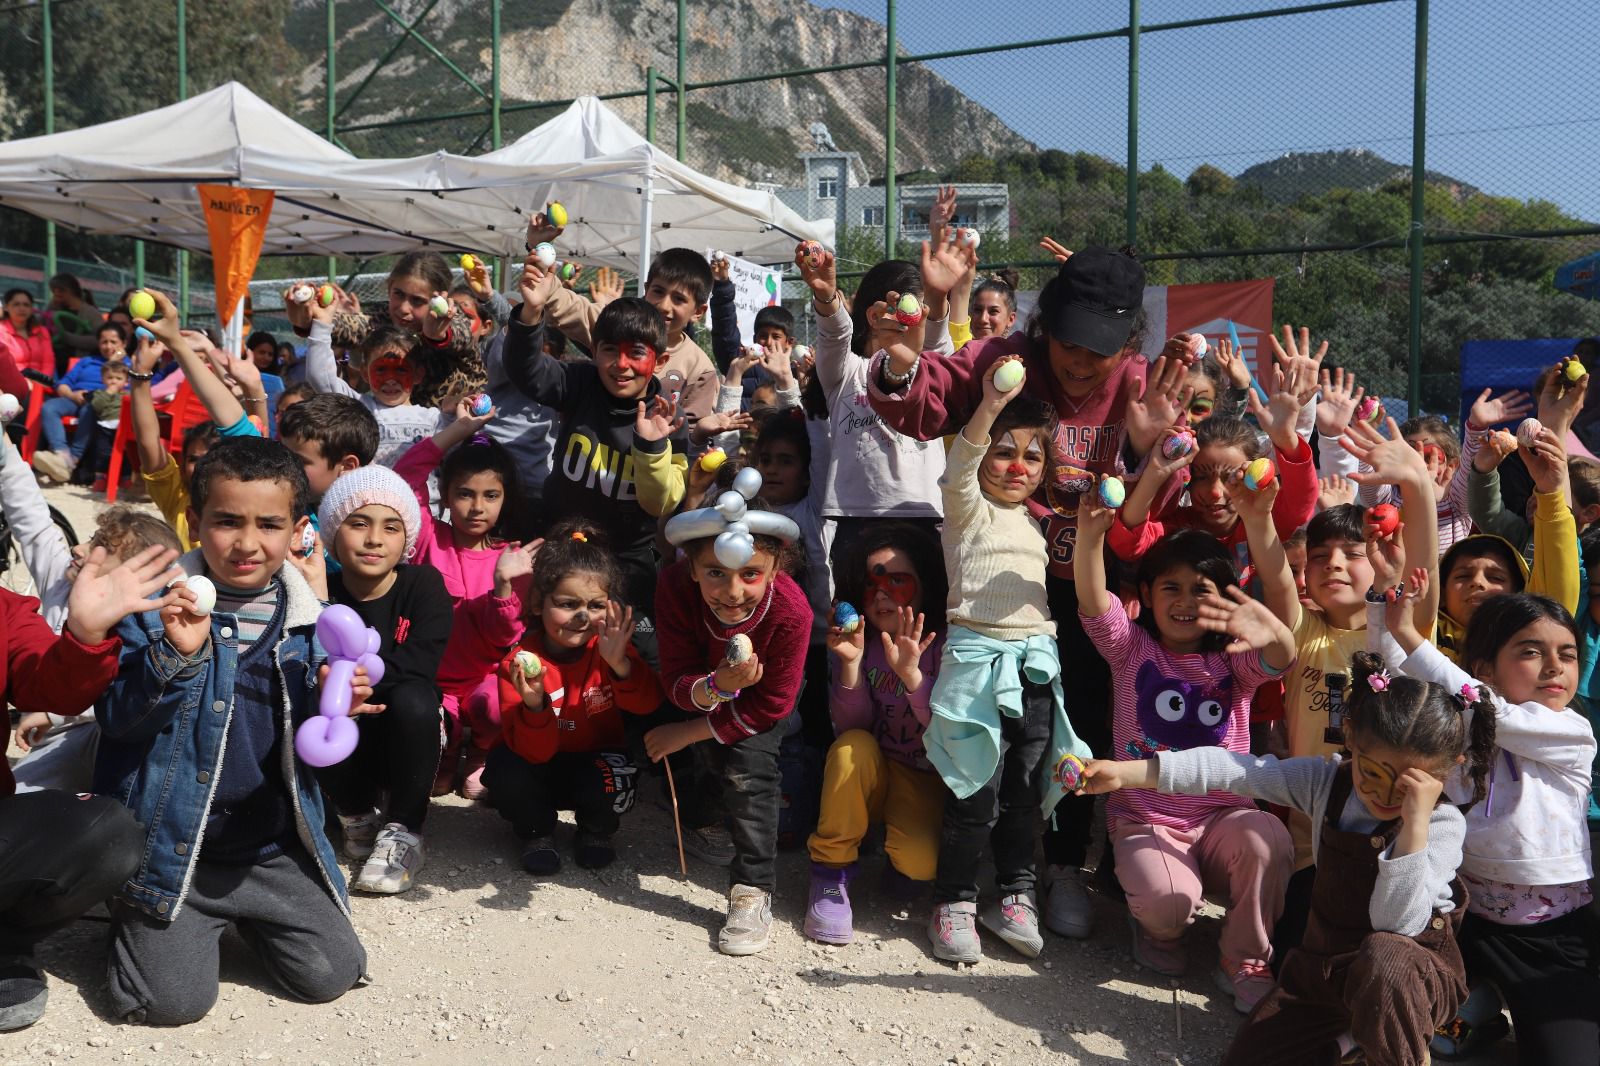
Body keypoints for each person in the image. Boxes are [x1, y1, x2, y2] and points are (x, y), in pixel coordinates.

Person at [866, 248, 1196, 940]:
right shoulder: (1007, 357)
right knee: (982, 738)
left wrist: (1143, 448)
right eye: (1067, 343)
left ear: (1130, 342)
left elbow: (1157, 505)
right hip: (995, 582)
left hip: (1088, 586)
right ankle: (969, 876)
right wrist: (901, 359)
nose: (1078, 363)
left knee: (1071, 727)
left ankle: (1062, 867)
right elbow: (926, 403)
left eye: (1097, 352)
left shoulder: (1146, 385)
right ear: (1044, 325)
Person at [1076, 647, 1490, 1066]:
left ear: (1444, 773)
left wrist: (1414, 825)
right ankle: (1350, 1040)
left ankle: (1398, 1052)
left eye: (1404, 786)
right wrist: (1127, 773)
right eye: (1372, 774)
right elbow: (1233, 770)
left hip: (1411, 978)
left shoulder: (1441, 825)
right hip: (1327, 970)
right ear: (1350, 738)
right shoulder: (1327, 781)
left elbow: (1396, 924)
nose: (1383, 797)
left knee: (1386, 955)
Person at [97, 437, 371, 1025]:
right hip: (175, 852)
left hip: (267, 851)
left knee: (332, 973)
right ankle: (144, 911)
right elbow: (119, 722)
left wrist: (339, 710)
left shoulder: (312, 628)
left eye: (268, 524)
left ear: (299, 529)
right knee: (170, 1004)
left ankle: (238, 918)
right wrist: (173, 655)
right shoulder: (152, 613)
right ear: (195, 522)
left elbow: (319, 761)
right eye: (226, 521)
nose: (247, 543)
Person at [1078, 472, 1296, 1007]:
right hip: (1146, 819)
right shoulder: (1131, 649)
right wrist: (1088, 538)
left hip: (1224, 818)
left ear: (1223, 601)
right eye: (1170, 587)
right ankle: (1159, 930)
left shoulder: (1235, 664)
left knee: (1268, 835)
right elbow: (1091, 597)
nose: (1183, 600)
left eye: (1201, 590)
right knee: (1170, 903)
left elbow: (1285, 650)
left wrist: (1273, 625)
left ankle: (1244, 956)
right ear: (1147, 595)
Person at [1380, 583, 1599, 1066]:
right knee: (1432, 1032)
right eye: (1530, 651)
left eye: (1567, 653)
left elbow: (1491, 711)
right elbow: (1401, 686)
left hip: (1547, 937)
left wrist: (1410, 637)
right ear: (1483, 670)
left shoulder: (1571, 732)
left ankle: (1489, 1007)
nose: (1555, 666)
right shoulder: (1463, 728)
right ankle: (1476, 1012)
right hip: (1464, 920)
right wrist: (1385, 608)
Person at [920, 358, 1092, 964]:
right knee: (975, 792)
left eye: (1033, 457)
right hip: (974, 662)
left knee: (1023, 791)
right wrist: (993, 402)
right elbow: (962, 460)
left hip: (1036, 666)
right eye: (1004, 452)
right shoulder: (965, 510)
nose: (1018, 466)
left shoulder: (1037, 522)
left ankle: (1016, 893)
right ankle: (954, 901)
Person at [0, 543, 184, 1032]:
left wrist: (84, 634)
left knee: (108, 833)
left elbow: (52, 686)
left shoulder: (3, 610)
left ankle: (5, 941)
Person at [647, 470, 811, 956]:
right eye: (715, 572)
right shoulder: (674, 588)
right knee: (698, 760)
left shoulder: (792, 613)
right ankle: (704, 821)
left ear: (777, 568)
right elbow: (674, 675)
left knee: (749, 771)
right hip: (704, 686)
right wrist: (716, 686)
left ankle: (751, 890)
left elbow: (773, 706)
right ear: (692, 567)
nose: (732, 591)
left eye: (750, 574)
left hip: (756, 704)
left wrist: (688, 731)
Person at [501, 258, 688, 669]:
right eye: (609, 351)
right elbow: (527, 372)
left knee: (643, 655)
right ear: (595, 351)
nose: (620, 365)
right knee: (543, 642)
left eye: (635, 353)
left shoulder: (668, 417)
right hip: (558, 544)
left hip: (627, 560)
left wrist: (651, 447)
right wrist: (530, 313)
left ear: (657, 360)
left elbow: (661, 504)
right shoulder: (582, 382)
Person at [486, 521, 661, 873]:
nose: (583, 617)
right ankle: (536, 831)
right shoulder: (518, 664)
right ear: (538, 602)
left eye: (596, 605)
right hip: (539, 763)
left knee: (618, 771)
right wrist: (536, 705)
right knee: (505, 770)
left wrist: (621, 665)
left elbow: (647, 704)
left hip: (593, 762)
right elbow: (533, 751)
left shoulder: (610, 651)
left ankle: (596, 830)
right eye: (568, 604)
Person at [806, 522, 948, 944]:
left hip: (924, 776)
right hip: (875, 766)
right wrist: (849, 666)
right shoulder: (861, 642)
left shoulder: (948, 643)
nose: (881, 592)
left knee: (919, 866)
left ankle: (891, 855)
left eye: (897, 579)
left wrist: (912, 678)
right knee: (851, 749)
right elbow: (853, 729)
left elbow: (944, 732)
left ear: (925, 584)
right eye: (871, 583)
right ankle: (829, 872)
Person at [311, 465, 451, 895]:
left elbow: (421, 661)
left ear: (405, 538)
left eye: (391, 527)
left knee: (415, 698)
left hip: (404, 737)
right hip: (346, 742)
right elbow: (301, 658)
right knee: (317, 706)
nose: (374, 539)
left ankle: (404, 830)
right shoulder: (322, 588)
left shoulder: (423, 584)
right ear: (333, 532)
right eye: (359, 523)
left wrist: (357, 680)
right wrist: (315, 592)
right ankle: (355, 815)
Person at [393, 402, 526, 798]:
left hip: (484, 679)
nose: (477, 506)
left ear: (505, 499)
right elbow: (405, 477)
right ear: (446, 496)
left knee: (499, 704)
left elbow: (505, 638)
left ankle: (482, 752)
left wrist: (503, 585)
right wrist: (458, 428)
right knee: (424, 725)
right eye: (464, 493)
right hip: (430, 679)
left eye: (490, 495)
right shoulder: (427, 539)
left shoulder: (514, 557)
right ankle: (446, 754)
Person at [792, 247, 951, 571]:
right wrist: (826, 298)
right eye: (898, 311)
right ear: (873, 315)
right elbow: (835, 334)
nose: (906, 320)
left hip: (925, 513)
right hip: (855, 516)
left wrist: (940, 297)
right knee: (856, 619)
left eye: (916, 312)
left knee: (924, 618)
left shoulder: (930, 367)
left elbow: (936, 344)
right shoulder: (846, 370)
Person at [1108, 357, 1316, 576]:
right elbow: (1128, 545)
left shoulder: (1263, 522)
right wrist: (1154, 472)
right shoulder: (1178, 527)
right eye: (1201, 477)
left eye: (1231, 477)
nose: (1215, 492)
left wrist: (1286, 441)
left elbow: (1299, 505)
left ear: (1254, 474)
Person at [534, 211, 720, 435]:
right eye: (658, 291)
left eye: (679, 299)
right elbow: (562, 304)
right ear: (646, 288)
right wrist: (539, 252)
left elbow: (690, 435)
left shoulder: (699, 369)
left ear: (698, 311)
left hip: (647, 463)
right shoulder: (615, 326)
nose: (664, 305)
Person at [286, 251, 485, 410]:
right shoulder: (382, 321)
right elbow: (348, 326)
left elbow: (460, 335)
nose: (403, 308)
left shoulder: (456, 320)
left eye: (417, 301)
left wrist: (436, 335)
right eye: (398, 294)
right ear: (389, 288)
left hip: (455, 436)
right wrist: (308, 319)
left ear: (440, 298)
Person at [300, 293, 441, 467]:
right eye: (381, 369)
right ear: (365, 374)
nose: (390, 379)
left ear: (418, 375)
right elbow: (319, 375)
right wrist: (322, 323)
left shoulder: (434, 419)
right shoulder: (359, 409)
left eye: (400, 370)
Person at [32, 318, 126, 483]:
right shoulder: (87, 361)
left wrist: (113, 362)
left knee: (89, 409)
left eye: (113, 342)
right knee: (49, 407)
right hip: (73, 398)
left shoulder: (127, 366)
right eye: (104, 342)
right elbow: (63, 384)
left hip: (99, 404)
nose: (108, 346)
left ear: (124, 343)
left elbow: (125, 390)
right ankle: (61, 455)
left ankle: (72, 460)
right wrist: (72, 395)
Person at [0, 287, 55, 385]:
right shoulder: (1, 330)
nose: (22, 308)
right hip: (12, 385)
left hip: (41, 385)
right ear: (6, 307)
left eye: (26, 305)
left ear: (31, 309)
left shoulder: (42, 331)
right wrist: (24, 383)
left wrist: (41, 383)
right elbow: (4, 365)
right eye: (16, 304)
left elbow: (48, 363)